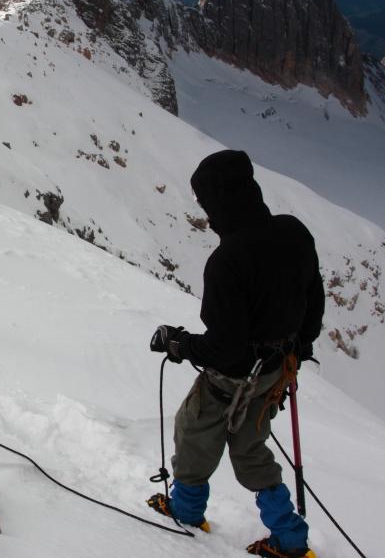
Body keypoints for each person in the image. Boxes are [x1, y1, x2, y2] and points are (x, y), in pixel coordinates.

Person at [147, 150, 324, 558]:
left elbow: (224, 349)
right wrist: (298, 347)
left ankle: (187, 512)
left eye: (203, 200)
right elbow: (313, 299)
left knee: (193, 431)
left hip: (234, 376)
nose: (204, 210)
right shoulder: (293, 232)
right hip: (275, 371)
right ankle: (291, 539)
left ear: (217, 199)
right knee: (251, 447)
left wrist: (178, 343)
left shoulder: (228, 260)